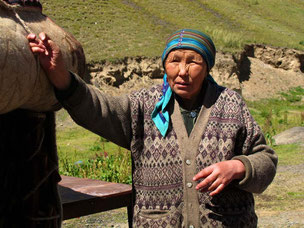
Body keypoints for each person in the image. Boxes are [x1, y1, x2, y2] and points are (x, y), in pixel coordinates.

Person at [28, 29, 277, 227]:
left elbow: (265, 157)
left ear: (207, 66)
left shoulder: (230, 104)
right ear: (164, 65)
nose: (182, 72)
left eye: (193, 62)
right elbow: (97, 109)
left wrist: (237, 166)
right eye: (174, 61)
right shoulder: (144, 105)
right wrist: (59, 73)